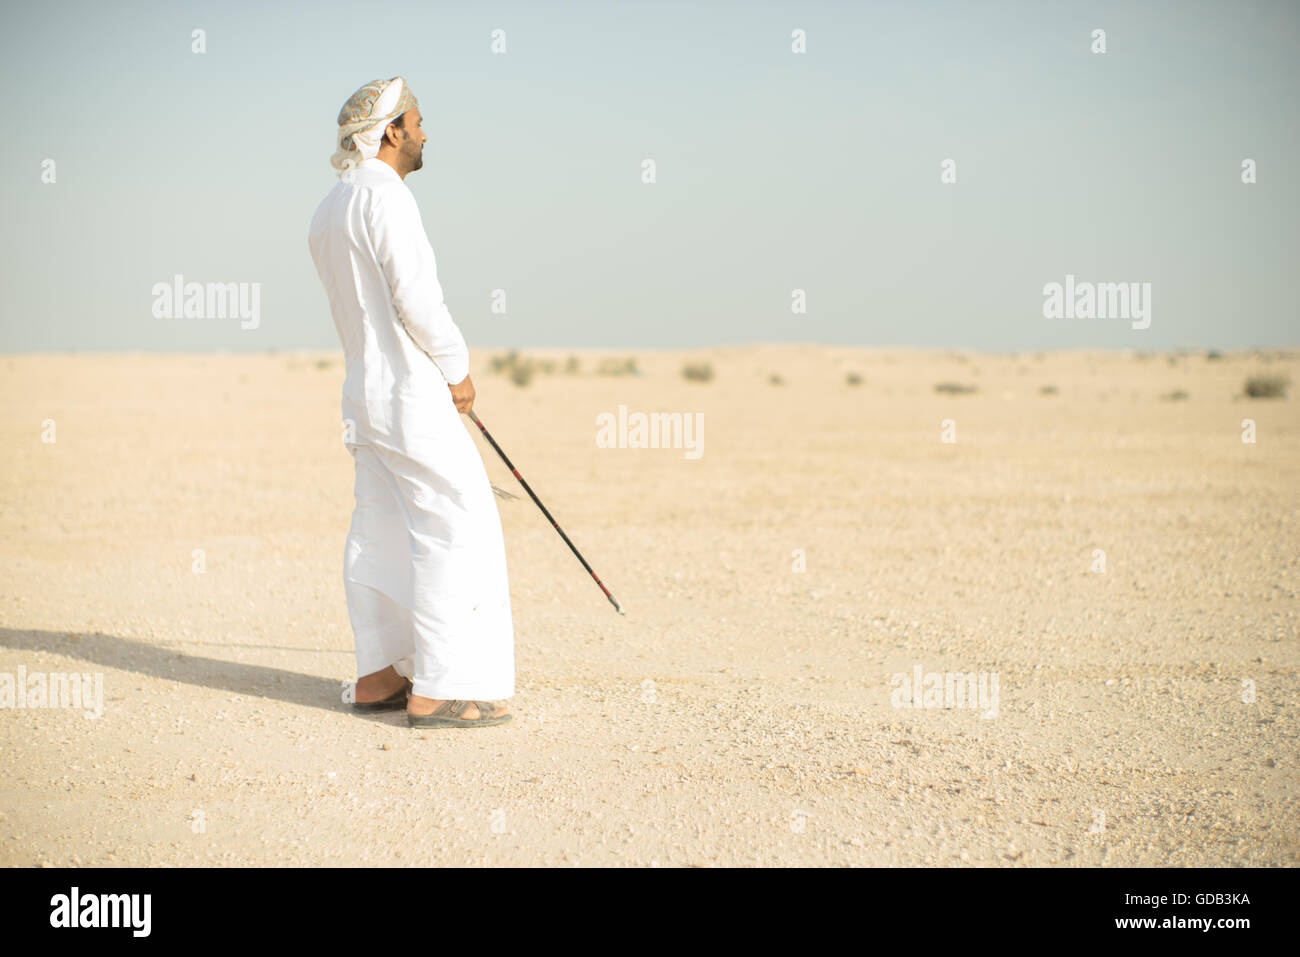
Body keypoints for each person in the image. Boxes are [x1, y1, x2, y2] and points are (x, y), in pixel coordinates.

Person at [307, 77, 514, 728]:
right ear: (392, 131)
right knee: (455, 521)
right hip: (412, 394)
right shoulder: (387, 199)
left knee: (380, 523)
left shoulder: (328, 208)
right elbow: (417, 299)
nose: (425, 132)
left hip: (362, 398)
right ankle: (442, 687)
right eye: (418, 121)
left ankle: (380, 674)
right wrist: (458, 369)